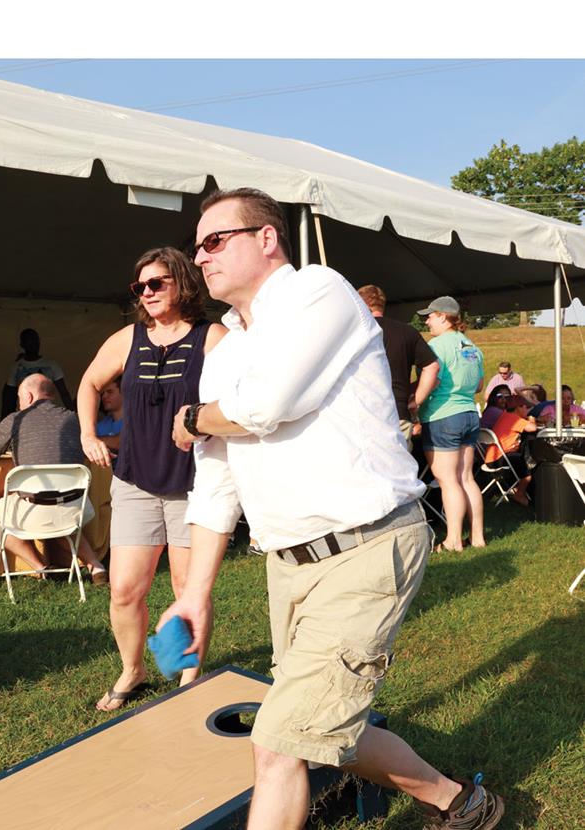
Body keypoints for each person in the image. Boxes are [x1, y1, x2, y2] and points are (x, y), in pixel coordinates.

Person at [160, 187, 502, 830]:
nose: (200, 258)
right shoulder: (225, 347)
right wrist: (194, 593)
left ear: (267, 239)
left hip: (368, 546)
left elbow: (265, 408)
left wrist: (192, 417)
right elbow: (217, 477)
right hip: (287, 563)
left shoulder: (319, 292)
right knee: (318, 721)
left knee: (279, 739)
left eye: (215, 241)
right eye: (195, 247)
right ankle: (458, 801)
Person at [78, 246, 226, 712]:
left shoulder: (213, 336)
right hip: (136, 480)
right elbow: (88, 383)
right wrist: (87, 433)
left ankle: (188, 680)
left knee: (188, 589)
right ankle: (133, 669)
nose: (147, 292)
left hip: (193, 483)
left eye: (156, 283)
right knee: (124, 589)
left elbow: (240, 400)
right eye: (139, 286)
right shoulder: (129, 338)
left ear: (182, 282)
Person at [0, 374, 107, 583]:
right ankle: (96, 566)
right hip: (76, 506)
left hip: (33, 510)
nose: (19, 403)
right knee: (61, 512)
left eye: (19, 398)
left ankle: (41, 567)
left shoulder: (16, 419)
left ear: (28, 395)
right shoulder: (75, 418)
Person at [417, 296, 486, 552]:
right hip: (469, 414)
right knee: (466, 477)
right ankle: (477, 537)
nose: (427, 320)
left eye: (431, 315)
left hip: (443, 415)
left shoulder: (437, 346)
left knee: (448, 480)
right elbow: (479, 385)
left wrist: (416, 405)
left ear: (444, 317)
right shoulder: (472, 346)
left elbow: (432, 379)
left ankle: (454, 540)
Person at [356, 285, 438, 449]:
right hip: (398, 413)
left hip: (362, 412)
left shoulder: (355, 332)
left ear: (361, 304)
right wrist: (416, 400)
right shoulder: (407, 332)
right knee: (399, 471)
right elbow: (432, 367)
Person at [1, 328, 74, 416]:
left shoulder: (51, 365)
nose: (33, 343)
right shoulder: (16, 367)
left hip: (48, 414)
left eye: (35, 340)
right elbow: (9, 397)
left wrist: (73, 415)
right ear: (22, 344)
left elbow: (64, 393)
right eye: (29, 340)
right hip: (24, 415)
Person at [486, 394, 538, 506]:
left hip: (492, 458)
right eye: (526, 407)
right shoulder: (515, 419)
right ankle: (520, 494)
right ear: (518, 407)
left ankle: (515, 488)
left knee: (519, 457)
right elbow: (532, 428)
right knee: (527, 468)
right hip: (500, 458)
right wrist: (532, 419)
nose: (527, 410)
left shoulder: (505, 416)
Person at [95, 376, 124, 456]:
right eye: (103, 393)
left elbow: (122, 441)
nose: (104, 396)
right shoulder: (99, 425)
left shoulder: (138, 419)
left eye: (110, 392)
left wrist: (93, 441)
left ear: (124, 392)